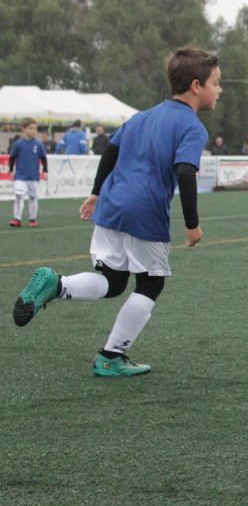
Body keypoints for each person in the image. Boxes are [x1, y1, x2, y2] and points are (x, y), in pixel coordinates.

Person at [11, 48, 219, 377]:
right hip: (145, 211)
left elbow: (111, 151)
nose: (219, 90)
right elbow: (183, 173)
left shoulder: (141, 117)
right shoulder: (193, 127)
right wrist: (193, 226)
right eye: (217, 83)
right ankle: (111, 356)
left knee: (113, 280)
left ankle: (57, 284)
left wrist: (95, 194)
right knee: (151, 284)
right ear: (197, 85)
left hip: (112, 204)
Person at [8, 118, 48, 228]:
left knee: (33, 197)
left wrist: (45, 171)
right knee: (19, 196)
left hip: (34, 177)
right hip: (20, 176)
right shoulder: (18, 144)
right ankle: (17, 218)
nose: (34, 131)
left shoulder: (38, 144)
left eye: (35, 128)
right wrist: (11, 170)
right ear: (23, 129)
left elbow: (43, 158)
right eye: (31, 128)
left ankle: (32, 219)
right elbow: (12, 158)